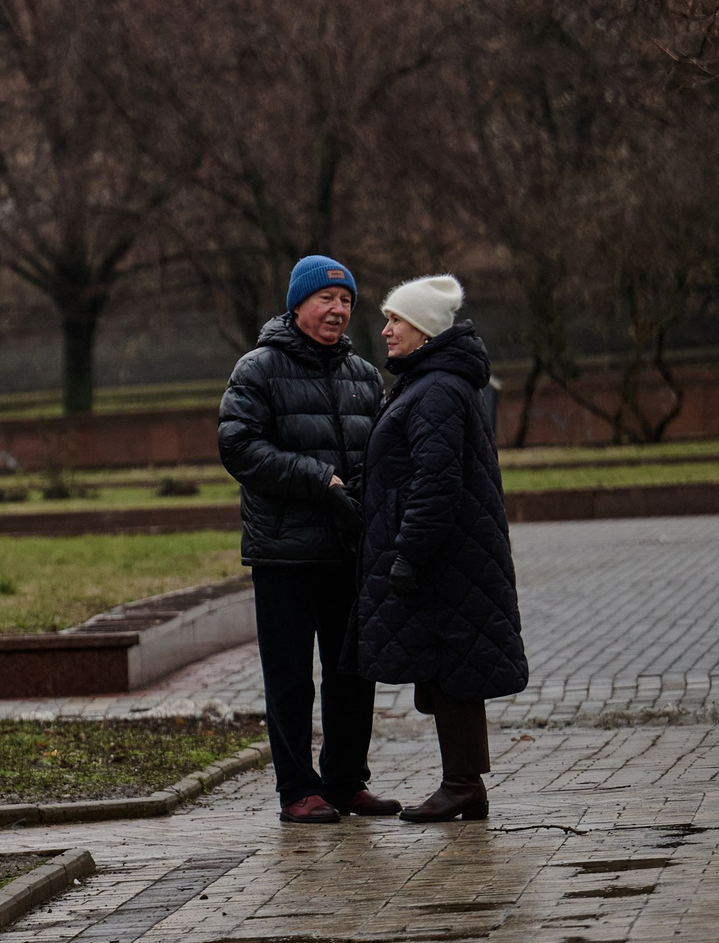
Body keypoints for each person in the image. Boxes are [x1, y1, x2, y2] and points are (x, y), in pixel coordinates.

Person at [217, 254, 398, 824]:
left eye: (346, 300)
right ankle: (297, 790)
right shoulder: (257, 369)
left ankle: (346, 781)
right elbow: (239, 447)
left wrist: (362, 490)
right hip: (283, 554)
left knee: (353, 674)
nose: (338, 309)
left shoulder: (364, 375)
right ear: (298, 304)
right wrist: (321, 481)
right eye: (327, 298)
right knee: (290, 680)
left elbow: (382, 453)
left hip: (348, 550)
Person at [352, 274, 529, 823]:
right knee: (451, 667)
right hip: (451, 555)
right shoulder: (428, 383)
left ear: (424, 330)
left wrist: (409, 552)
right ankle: (465, 786)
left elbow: (435, 482)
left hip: (444, 558)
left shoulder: (436, 391)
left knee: (453, 668)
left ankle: (462, 785)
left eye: (395, 321)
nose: (385, 330)